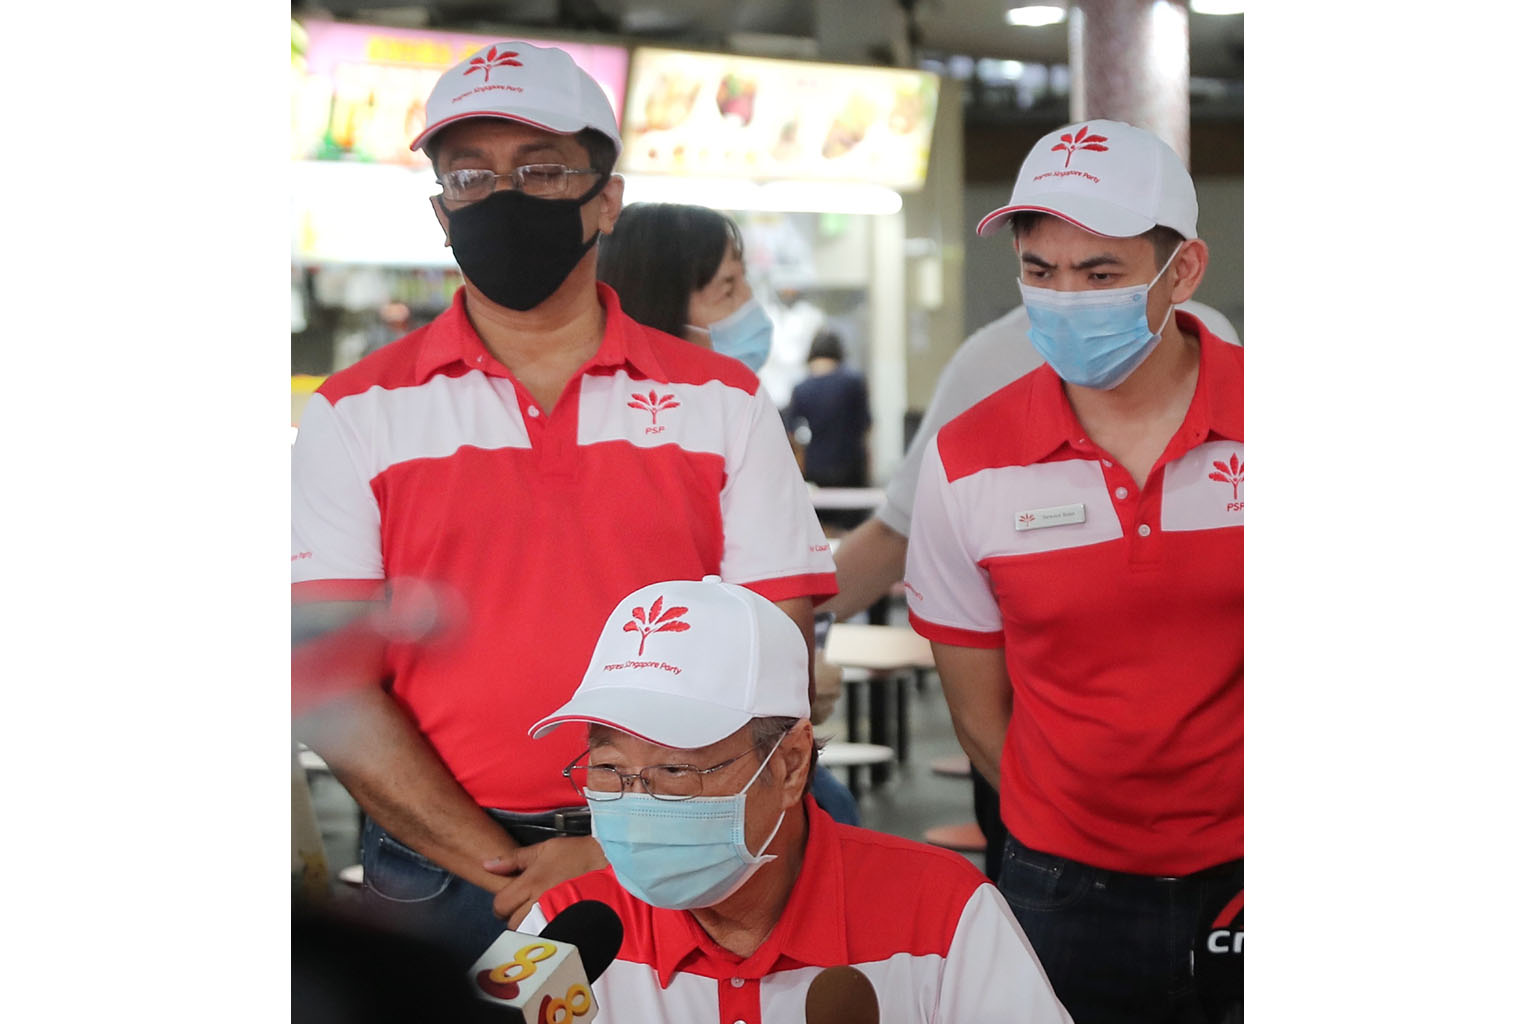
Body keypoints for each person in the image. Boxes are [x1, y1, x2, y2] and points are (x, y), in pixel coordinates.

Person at [290, 40, 836, 967]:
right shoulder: (354, 415)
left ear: (607, 199)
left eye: (542, 169)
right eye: (471, 174)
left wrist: (612, 848)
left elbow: (772, 653)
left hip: (691, 849)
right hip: (442, 873)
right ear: (440, 209)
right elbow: (330, 680)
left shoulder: (722, 403)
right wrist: (500, 861)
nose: (503, 197)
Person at [904, 119, 1243, 1023]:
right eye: (1040, 272)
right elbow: (980, 715)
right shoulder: (968, 460)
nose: (1066, 300)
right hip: (1060, 884)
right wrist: (1063, 838)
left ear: (1184, 272)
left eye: (1100, 274)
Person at [520, 575, 1072, 1024]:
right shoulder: (564, 928)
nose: (637, 802)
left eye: (675, 769)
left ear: (789, 763)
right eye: (609, 769)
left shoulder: (946, 916)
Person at [596, 200, 861, 826]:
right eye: (727, 288)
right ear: (661, 300)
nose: (749, 307)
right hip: (702, 754)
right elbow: (776, 614)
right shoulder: (684, 416)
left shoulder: (736, 409)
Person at [596, 202, 774, 372]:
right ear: (660, 313)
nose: (748, 299)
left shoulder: (742, 400)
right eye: (728, 290)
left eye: (745, 278)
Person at [785, 328, 873, 533]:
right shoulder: (853, 383)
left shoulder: (801, 388)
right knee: (852, 529)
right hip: (851, 466)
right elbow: (866, 426)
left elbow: (791, 433)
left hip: (816, 468)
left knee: (821, 531)